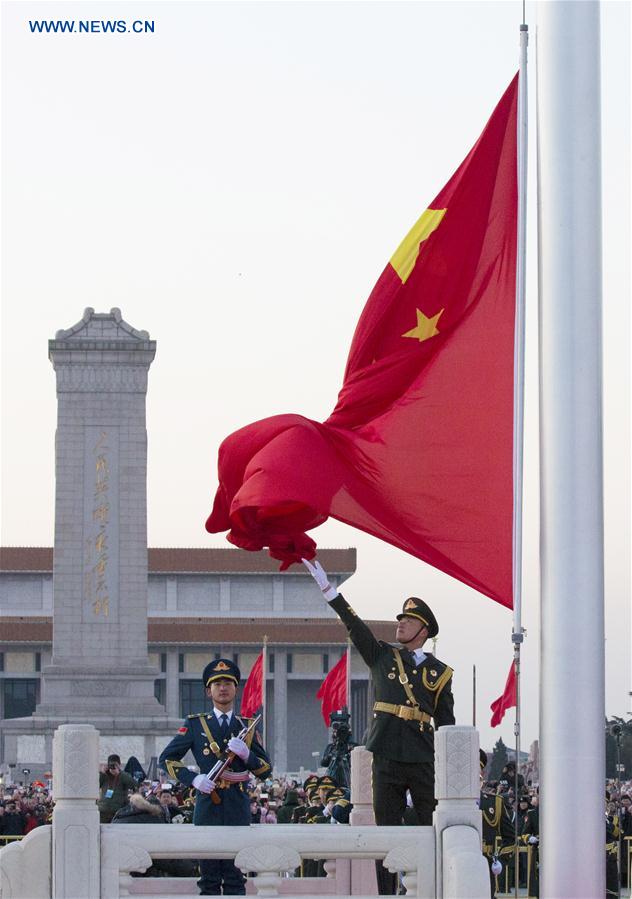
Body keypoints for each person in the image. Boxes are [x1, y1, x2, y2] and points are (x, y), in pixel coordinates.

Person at [303, 558, 455, 895]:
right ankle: (386, 894)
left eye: (409, 620)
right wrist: (330, 591)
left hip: (422, 757)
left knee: (430, 827)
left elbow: (446, 724)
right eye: (401, 618)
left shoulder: (440, 673)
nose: (401, 623)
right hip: (385, 753)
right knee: (384, 833)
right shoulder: (383, 656)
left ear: (424, 631)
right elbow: (355, 626)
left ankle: (432, 889)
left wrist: (450, 767)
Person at [159, 658, 271, 896]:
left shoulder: (247, 727)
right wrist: (193, 779)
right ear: (208, 691)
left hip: (237, 807)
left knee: (235, 878)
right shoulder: (195, 725)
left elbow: (265, 770)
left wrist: (247, 755)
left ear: (235, 689)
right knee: (208, 879)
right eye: (217, 684)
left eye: (228, 683)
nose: (223, 688)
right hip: (208, 805)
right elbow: (167, 759)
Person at [480, 751, 515, 899]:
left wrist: (499, 860)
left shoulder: (494, 802)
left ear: (481, 775)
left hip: (485, 867)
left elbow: (510, 838)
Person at [98, 755, 137, 823]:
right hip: (103, 810)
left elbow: (134, 785)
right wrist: (101, 773)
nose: (113, 768)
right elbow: (94, 785)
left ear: (119, 765)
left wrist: (119, 774)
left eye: (115, 765)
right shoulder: (104, 776)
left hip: (118, 811)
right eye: (111, 765)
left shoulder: (124, 776)